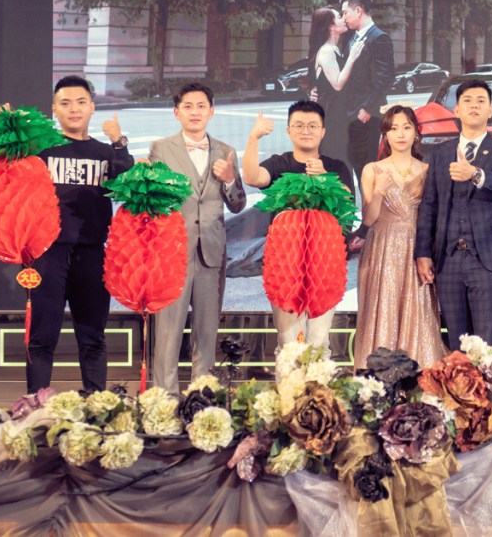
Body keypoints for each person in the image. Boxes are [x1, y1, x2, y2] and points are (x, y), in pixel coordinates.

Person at [26, 76, 134, 394]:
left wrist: (119, 142)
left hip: (92, 252)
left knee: (93, 337)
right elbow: (6, 169)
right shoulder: (41, 150)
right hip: (47, 253)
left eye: (81, 102)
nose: (74, 109)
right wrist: (7, 127)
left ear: (92, 108)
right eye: (66, 103)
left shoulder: (105, 152)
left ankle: (96, 407)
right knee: (42, 337)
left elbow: (127, 177)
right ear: (54, 109)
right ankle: (35, 407)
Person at [149, 83, 246, 394]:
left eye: (201, 106)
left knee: (206, 331)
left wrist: (229, 180)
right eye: (188, 106)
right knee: (168, 331)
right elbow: (152, 200)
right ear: (176, 112)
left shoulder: (226, 151)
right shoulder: (160, 149)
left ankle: (201, 396)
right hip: (173, 253)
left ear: (211, 111)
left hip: (211, 253)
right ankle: (165, 398)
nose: (195, 112)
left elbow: (238, 204)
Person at [415, 79, 492, 351]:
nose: (474, 105)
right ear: (456, 110)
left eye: (481, 101)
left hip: (489, 259)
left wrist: (475, 174)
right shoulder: (440, 153)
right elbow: (429, 204)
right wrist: (423, 253)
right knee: (457, 343)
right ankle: (460, 381)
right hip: (448, 260)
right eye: (467, 101)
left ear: (490, 110)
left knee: (490, 345)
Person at [242, 100, 354, 349]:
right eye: (299, 125)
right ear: (289, 131)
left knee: (319, 341)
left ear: (323, 131)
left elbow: (347, 201)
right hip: (286, 266)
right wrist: (254, 138)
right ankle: (289, 376)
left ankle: (318, 377)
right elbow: (252, 177)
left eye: (312, 126)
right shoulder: (279, 164)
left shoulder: (336, 167)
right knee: (288, 342)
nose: (306, 131)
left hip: (324, 266)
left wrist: (325, 177)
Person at [354, 106, 446, 369]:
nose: (400, 134)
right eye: (393, 128)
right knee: (382, 309)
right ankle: (378, 377)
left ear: (416, 131)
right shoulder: (373, 169)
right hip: (382, 248)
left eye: (406, 127)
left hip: (418, 249)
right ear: (385, 134)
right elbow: (368, 220)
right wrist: (379, 191)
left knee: (418, 310)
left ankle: (420, 374)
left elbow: (434, 216)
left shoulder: (428, 170)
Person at [339, 0, 395, 187]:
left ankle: (370, 208)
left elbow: (386, 78)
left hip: (366, 116)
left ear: (359, 11)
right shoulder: (353, 37)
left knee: (366, 168)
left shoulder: (379, 38)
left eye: (345, 12)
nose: (343, 18)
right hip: (351, 114)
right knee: (354, 165)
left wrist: (367, 109)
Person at [308, 6, 365, 171]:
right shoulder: (327, 51)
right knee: (337, 162)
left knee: (342, 162)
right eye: (339, 17)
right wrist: (352, 58)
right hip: (332, 118)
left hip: (338, 116)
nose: (344, 19)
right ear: (331, 26)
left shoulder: (333, 49)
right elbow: (338, 84)